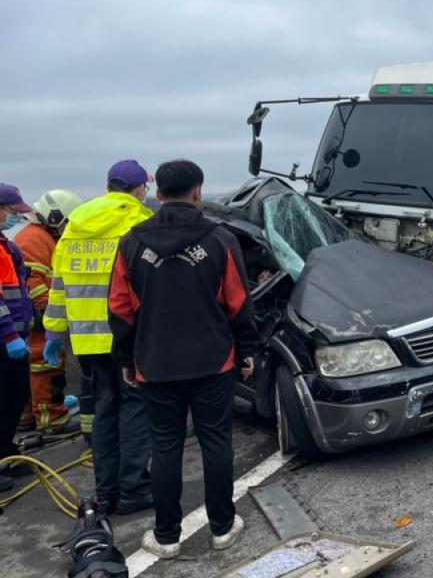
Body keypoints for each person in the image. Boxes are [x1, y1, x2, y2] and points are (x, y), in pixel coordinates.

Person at [109, 160, 257, 559]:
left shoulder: (132, 242)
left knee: (166, 446)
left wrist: (126, 358)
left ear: (157, 194)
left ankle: (167, 535)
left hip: (155, 364)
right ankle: (223, 528)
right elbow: (239, 303)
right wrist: (246, 350)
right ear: (198, 192)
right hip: (213, 362)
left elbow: (120, 309)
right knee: (215, 441)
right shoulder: (220, 239)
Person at [44, 161, 154, 515]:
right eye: (144, 188)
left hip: (87, 342)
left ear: (108, 186)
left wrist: (53, 332)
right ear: (138, 189)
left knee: (105, 411)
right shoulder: (137, 223)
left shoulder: (74, 227)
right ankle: (134, 489)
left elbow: (58, 286)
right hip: (127, 338)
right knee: (135, 410)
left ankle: (106, 492)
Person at [13, 189, 84, 434]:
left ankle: (25, 416)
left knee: (28, 366)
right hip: (38, 316)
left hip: (29, 316)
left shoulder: (35, 236)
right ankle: (51, 418)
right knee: (45, 366)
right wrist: (48, 312)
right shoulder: (35, 239)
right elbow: (32, 282)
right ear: (55, 217)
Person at [0, 184, 35, 493]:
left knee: (15, 394)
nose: (13, 219)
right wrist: (9, 333)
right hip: (5, 336)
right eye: (12, 213)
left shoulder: (7, 247)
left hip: (13, 336)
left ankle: (5, 450)